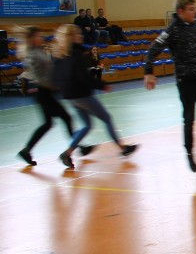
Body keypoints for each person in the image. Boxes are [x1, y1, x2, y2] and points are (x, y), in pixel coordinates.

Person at [145, 0, 196, 173]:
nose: (195, 12)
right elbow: (152, 51)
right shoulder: (171, 31)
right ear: (180, 11)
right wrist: (148, 72)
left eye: (195, 9)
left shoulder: (195, 27)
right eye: (191, 10)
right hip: (186, 81)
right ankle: (189, 154)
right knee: (189, 117)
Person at [53, 25, 137, 169]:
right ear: (72, 37)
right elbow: (84, 77)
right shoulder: (76, 54)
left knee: (86, 125)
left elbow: (57, 77)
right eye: (78, 34)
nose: (81, 36)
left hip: (70, 97)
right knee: (106, 118)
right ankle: (123, 148)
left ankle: (67, 153)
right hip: (82, 94)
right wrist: (101, 85)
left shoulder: (61, 55)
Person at [17, 26, 95, 166]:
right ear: (32, 38)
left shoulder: (37, 52)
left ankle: (26, 150)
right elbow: (40, 76)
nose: (41, 38)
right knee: (66, 118)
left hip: (46, 92)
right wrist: (56, 85)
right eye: (38, 36)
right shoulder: (33, 55)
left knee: (48, 123)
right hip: (43, 92)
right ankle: (78, 148)